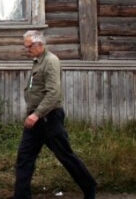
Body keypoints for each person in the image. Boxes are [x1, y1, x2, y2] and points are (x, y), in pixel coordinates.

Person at [14, 30, 97, 199]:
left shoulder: (51, 61)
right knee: (24, 157)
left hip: (49, 118)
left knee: (65, 155)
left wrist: (36, 115)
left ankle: (89, 186)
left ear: (40, 45)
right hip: (36, 119)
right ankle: (21, 196)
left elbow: (53, 93)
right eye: (26, 46)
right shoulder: (37, 62)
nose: (27, 49)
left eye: (29, 46)